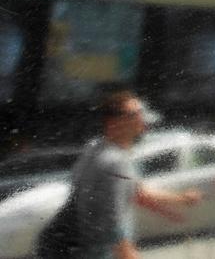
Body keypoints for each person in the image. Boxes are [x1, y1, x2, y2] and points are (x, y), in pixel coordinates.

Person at [52, 90, 203, 258]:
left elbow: (138, 192)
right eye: (134, 114)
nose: (142, 118)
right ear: (113, 122)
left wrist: (181, 199)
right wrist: (127, 253)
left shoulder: (96, 147)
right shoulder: (114, 162)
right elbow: (111, 218)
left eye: (141, 113)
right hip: (95, 251)